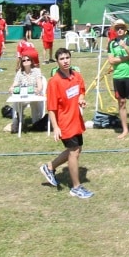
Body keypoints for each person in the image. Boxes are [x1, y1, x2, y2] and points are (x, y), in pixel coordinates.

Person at [39, 48, 93, 198]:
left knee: (76, 149)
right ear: (57, 61)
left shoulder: (76, 76)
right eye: (62, 59)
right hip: (65, 123)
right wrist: (56, 127)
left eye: (67, 58)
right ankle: (76, 187)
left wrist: (81, 99)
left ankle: (49, 167)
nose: (65, 61)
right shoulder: (54, 82)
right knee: (74, 152)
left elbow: (81, 91)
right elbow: (51, 108)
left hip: (76, 120)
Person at [8, 55, 46, 130]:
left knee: (34, 103)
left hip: (34, 95)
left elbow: (40, 85)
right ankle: (18, 122)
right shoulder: (20, 72)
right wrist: (11, 88)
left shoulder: (36, 71)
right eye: (24, 60)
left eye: (28, 60)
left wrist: (38, 90)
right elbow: (15, 83)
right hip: (24, 95)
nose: (26, 61)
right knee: (16, 103)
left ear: (31, 61)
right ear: (22, 63)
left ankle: (36, 123)